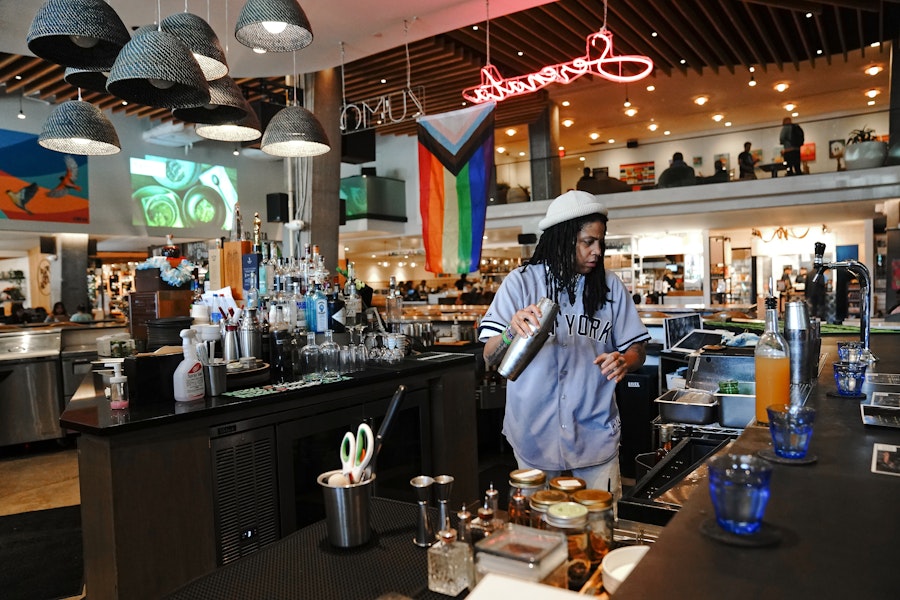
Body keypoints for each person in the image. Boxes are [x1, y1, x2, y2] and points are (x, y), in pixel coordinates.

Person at [478, 190, 650, 500]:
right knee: (538, 533)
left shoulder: (610, 286)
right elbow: (490, 356)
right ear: (563, 238)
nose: (597, 251)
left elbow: (638, 349)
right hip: (532, 432)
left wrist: (626, 359)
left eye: (601, 242)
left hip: (595, 433)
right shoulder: (521, 283)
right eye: (588, 242)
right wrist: (509, 332)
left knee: (601, 530)